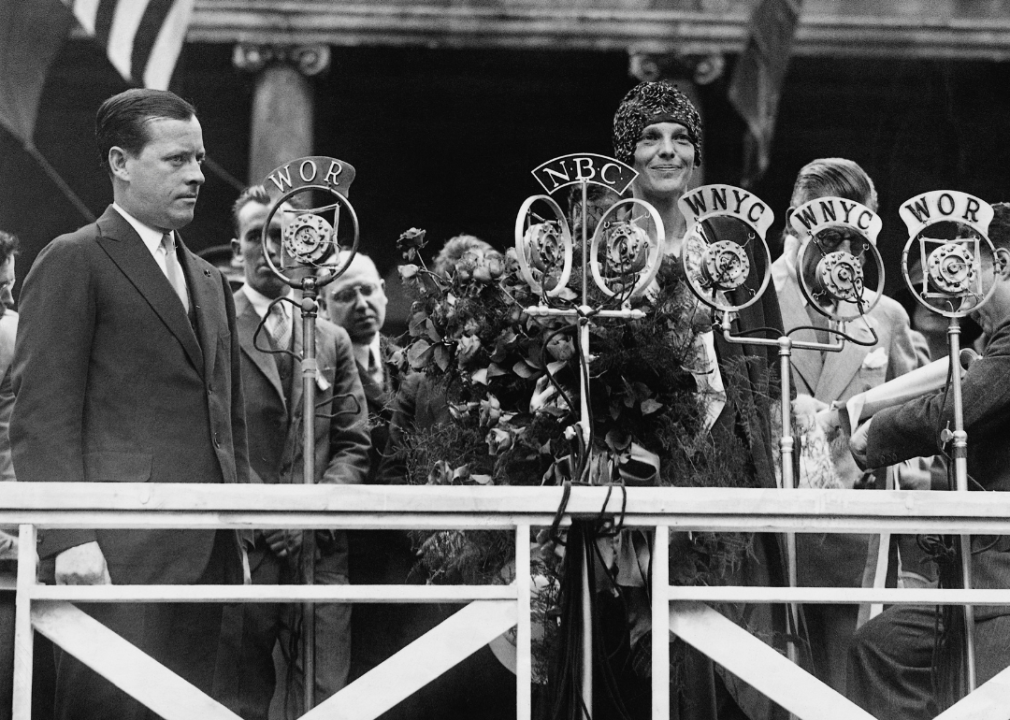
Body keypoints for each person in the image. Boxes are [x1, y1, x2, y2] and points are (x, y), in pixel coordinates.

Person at [9, 88, 248, 720]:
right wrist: (68, 539)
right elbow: (41, 418)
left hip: (209, 556)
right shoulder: (73, 259)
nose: (197, 174)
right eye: (177, 160)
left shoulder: (210, 277)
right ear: (121, 162)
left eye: (199, 158)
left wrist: (240, 533)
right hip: (113, 558)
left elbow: (227, 421)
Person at [610, 80, 789, 720]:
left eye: (681, 139)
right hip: (633, 456)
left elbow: (763, 354)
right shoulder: (605, 240)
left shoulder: (731, 241)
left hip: (728, 454)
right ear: (627, 152)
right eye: (651, 139)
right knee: (648, 626)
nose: (667, 152)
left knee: (737, 622)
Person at [771, 158, 932, 693]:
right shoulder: (751, 300)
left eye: (855, 234)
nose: (842, 249)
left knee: (844, 691)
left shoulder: (886, 315)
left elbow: (921, 423)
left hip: (856, 539)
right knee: (770, 686)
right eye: (828, 231)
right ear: (794, 220)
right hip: (769, 527)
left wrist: (892, 462)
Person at [846, 201, 1010, 720]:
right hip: (974, 571)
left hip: (999, 578)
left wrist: (873, 437)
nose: (957, 287)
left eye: (968, 264)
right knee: (880, 648)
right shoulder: (989, 341)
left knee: (984, 702)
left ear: (1001, 265)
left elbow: (956, 407)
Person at [216, 186, 370, 719]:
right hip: (246, 549)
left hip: (320, 552)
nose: (271, 249)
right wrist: (268, 511)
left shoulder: (330, 338)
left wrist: (313, 512)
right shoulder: (213, 327)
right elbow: (212, 434)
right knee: (237, 699)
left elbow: (353, 443)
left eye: (283, 235)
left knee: (325, 698)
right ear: (238, 249)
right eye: (257, 236)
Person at [317, 251, 412, 686]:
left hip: (406, 550)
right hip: (345, 547)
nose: (361, 303)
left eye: (369, 290)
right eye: (345, 295)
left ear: (385, 295)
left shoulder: (416, 363)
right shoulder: (316, 373)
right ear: (322, 306)